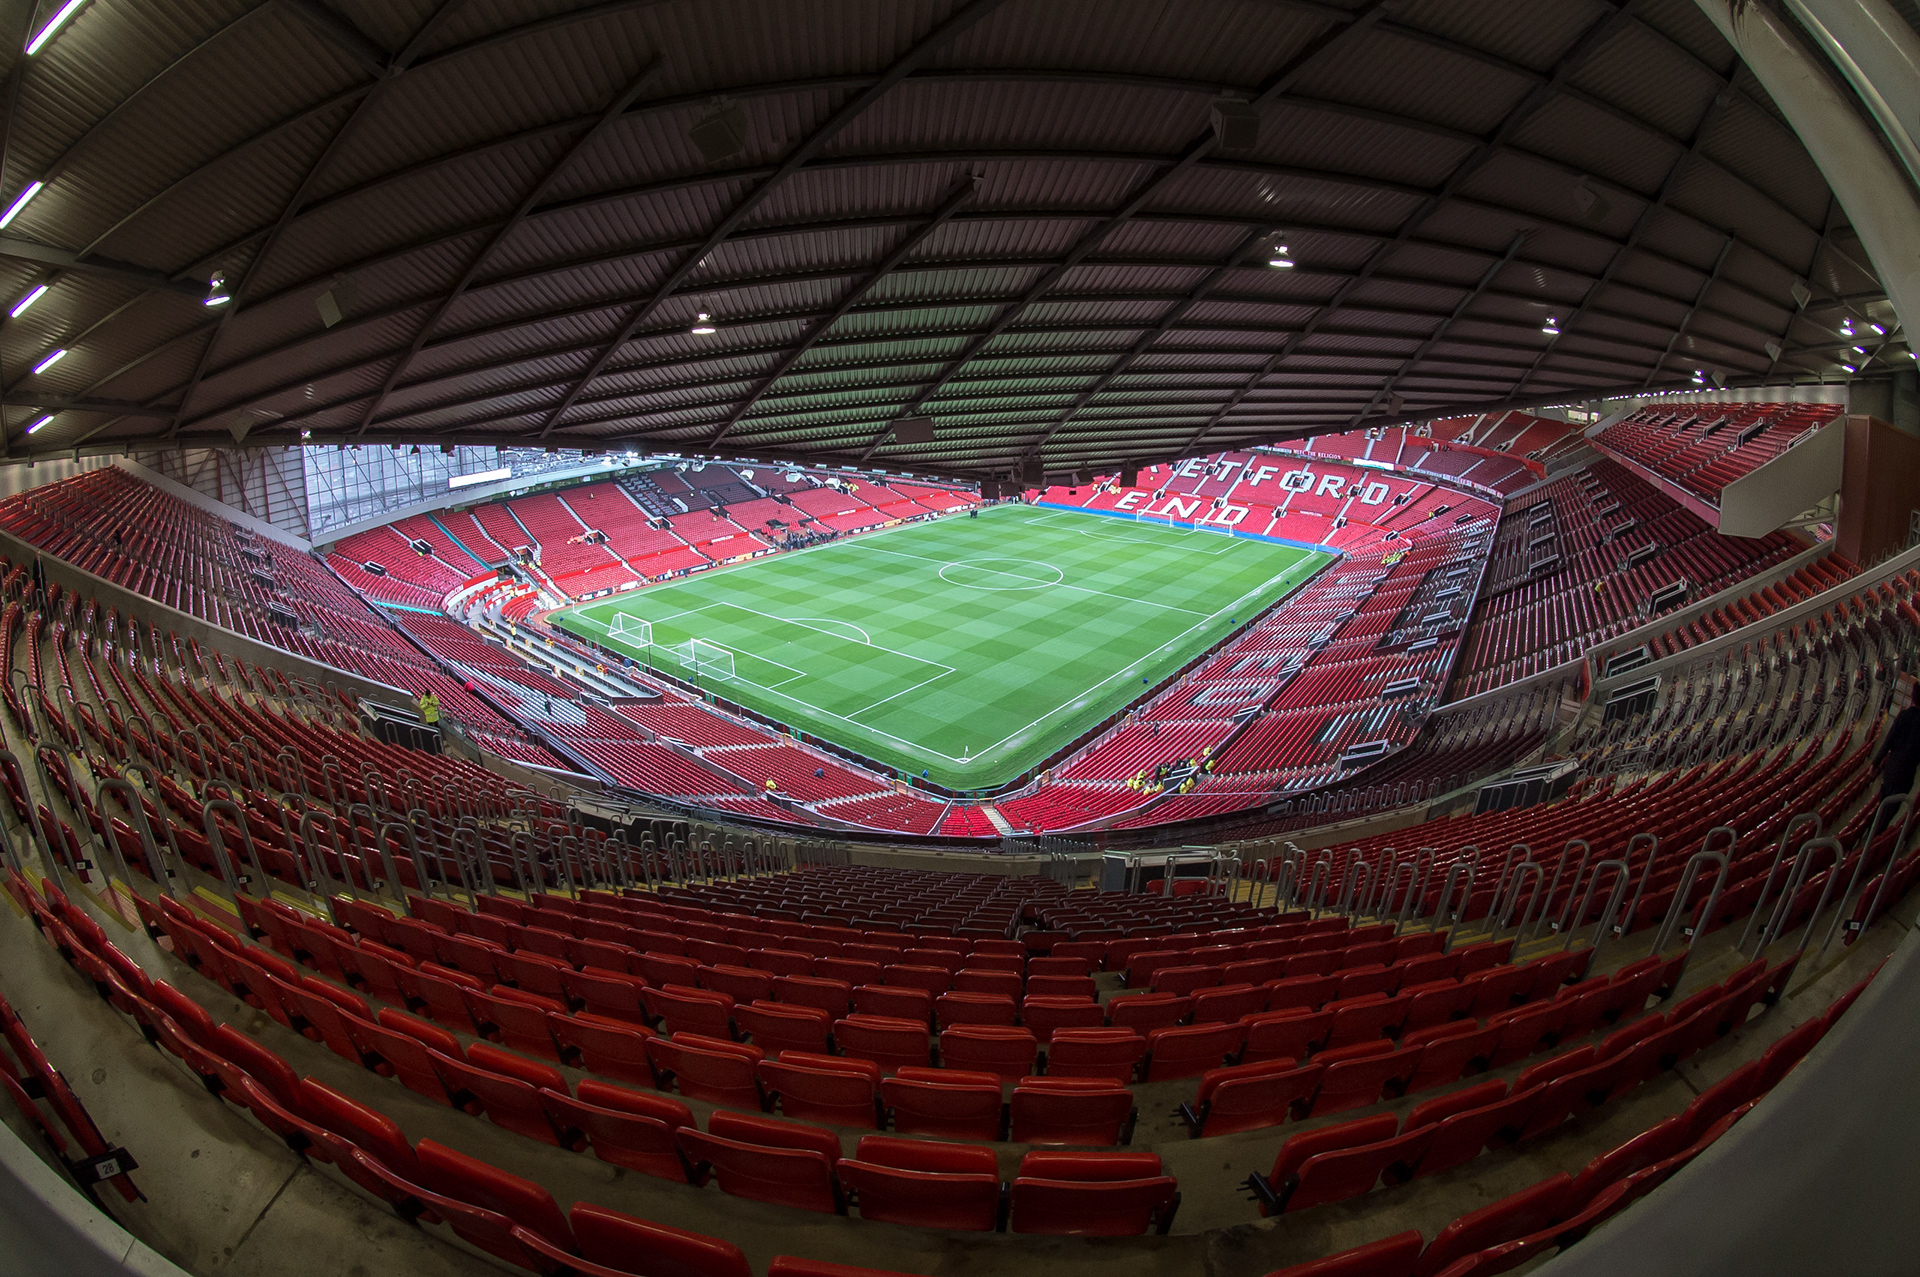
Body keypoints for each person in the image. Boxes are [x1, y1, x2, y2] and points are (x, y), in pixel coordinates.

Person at [1873, 673, 1920, 807]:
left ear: (1912, 697)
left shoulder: (1903, 715)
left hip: (1891, 770)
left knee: (1882, 804)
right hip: (1907, 776)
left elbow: (1888, 742)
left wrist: (1875, 763)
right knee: (1891, 808)